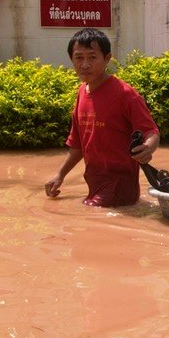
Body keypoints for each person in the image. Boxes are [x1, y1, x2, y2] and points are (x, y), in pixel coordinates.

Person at [45, 28, 160, 207]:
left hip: (119, 185)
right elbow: (78, 145)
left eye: (92, 57)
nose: (85, 64)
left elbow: (151, 131)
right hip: (95, 183)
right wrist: (60, 175)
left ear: (107, 59)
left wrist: (148, 148)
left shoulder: (125, 94)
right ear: (71, 59)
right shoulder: (82, 92)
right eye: (79, 57)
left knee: (89, 220)